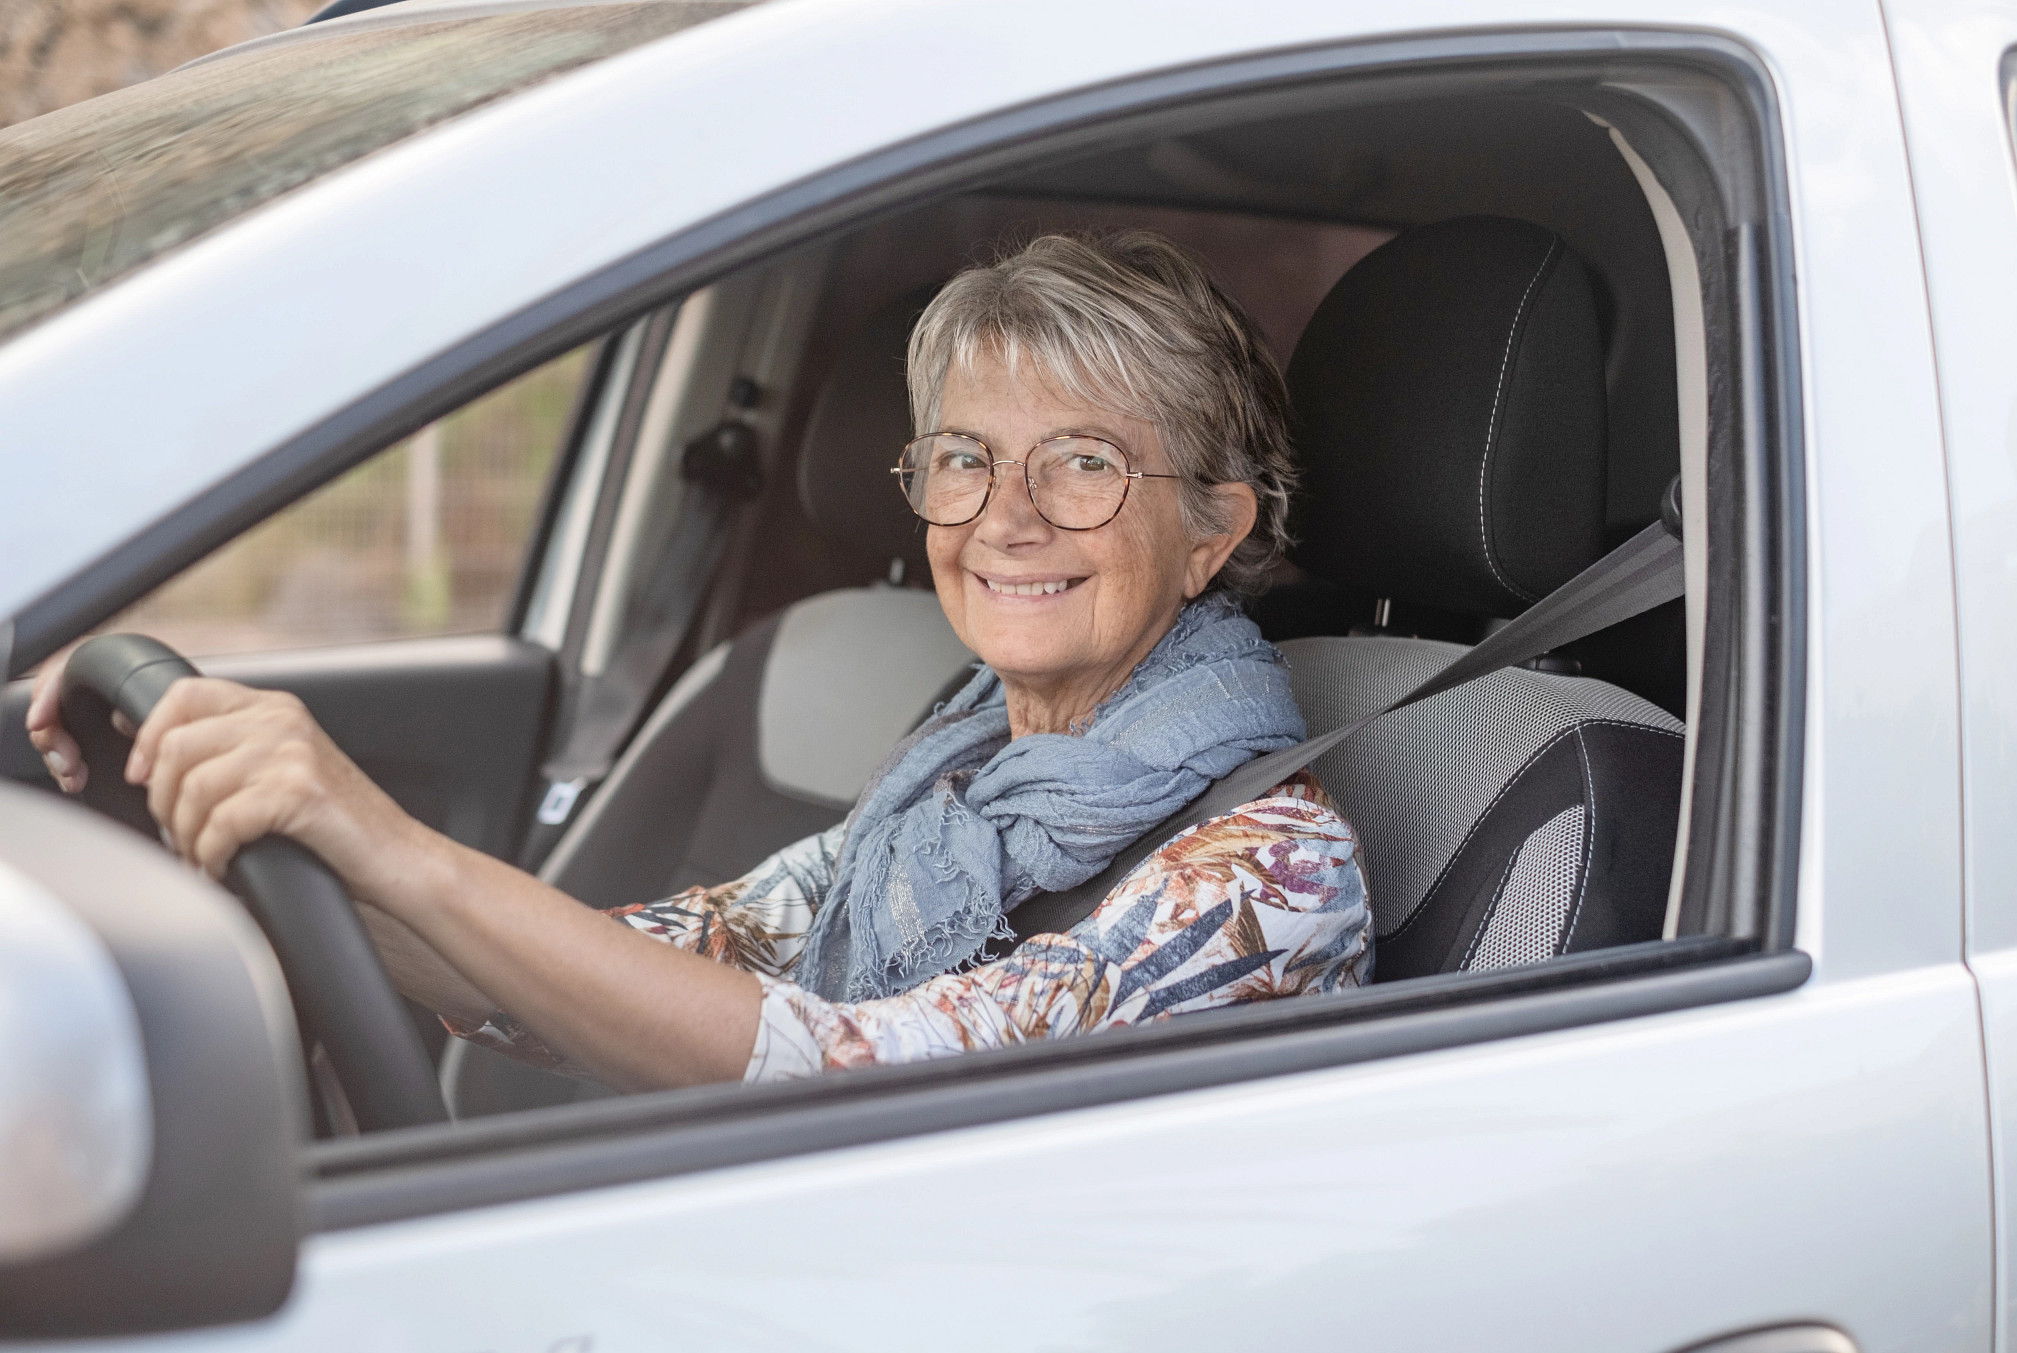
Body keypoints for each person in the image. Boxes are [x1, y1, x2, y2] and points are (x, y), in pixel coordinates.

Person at [24, 232, 1370, 1091]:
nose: (1004, 516)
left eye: (1082, 462)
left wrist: (393, 844)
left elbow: (854, 1071)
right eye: (964, 456)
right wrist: (256, 855)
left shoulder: (1270, 871)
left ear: (1212, 533)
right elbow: (648, 966)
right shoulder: (955, 778)